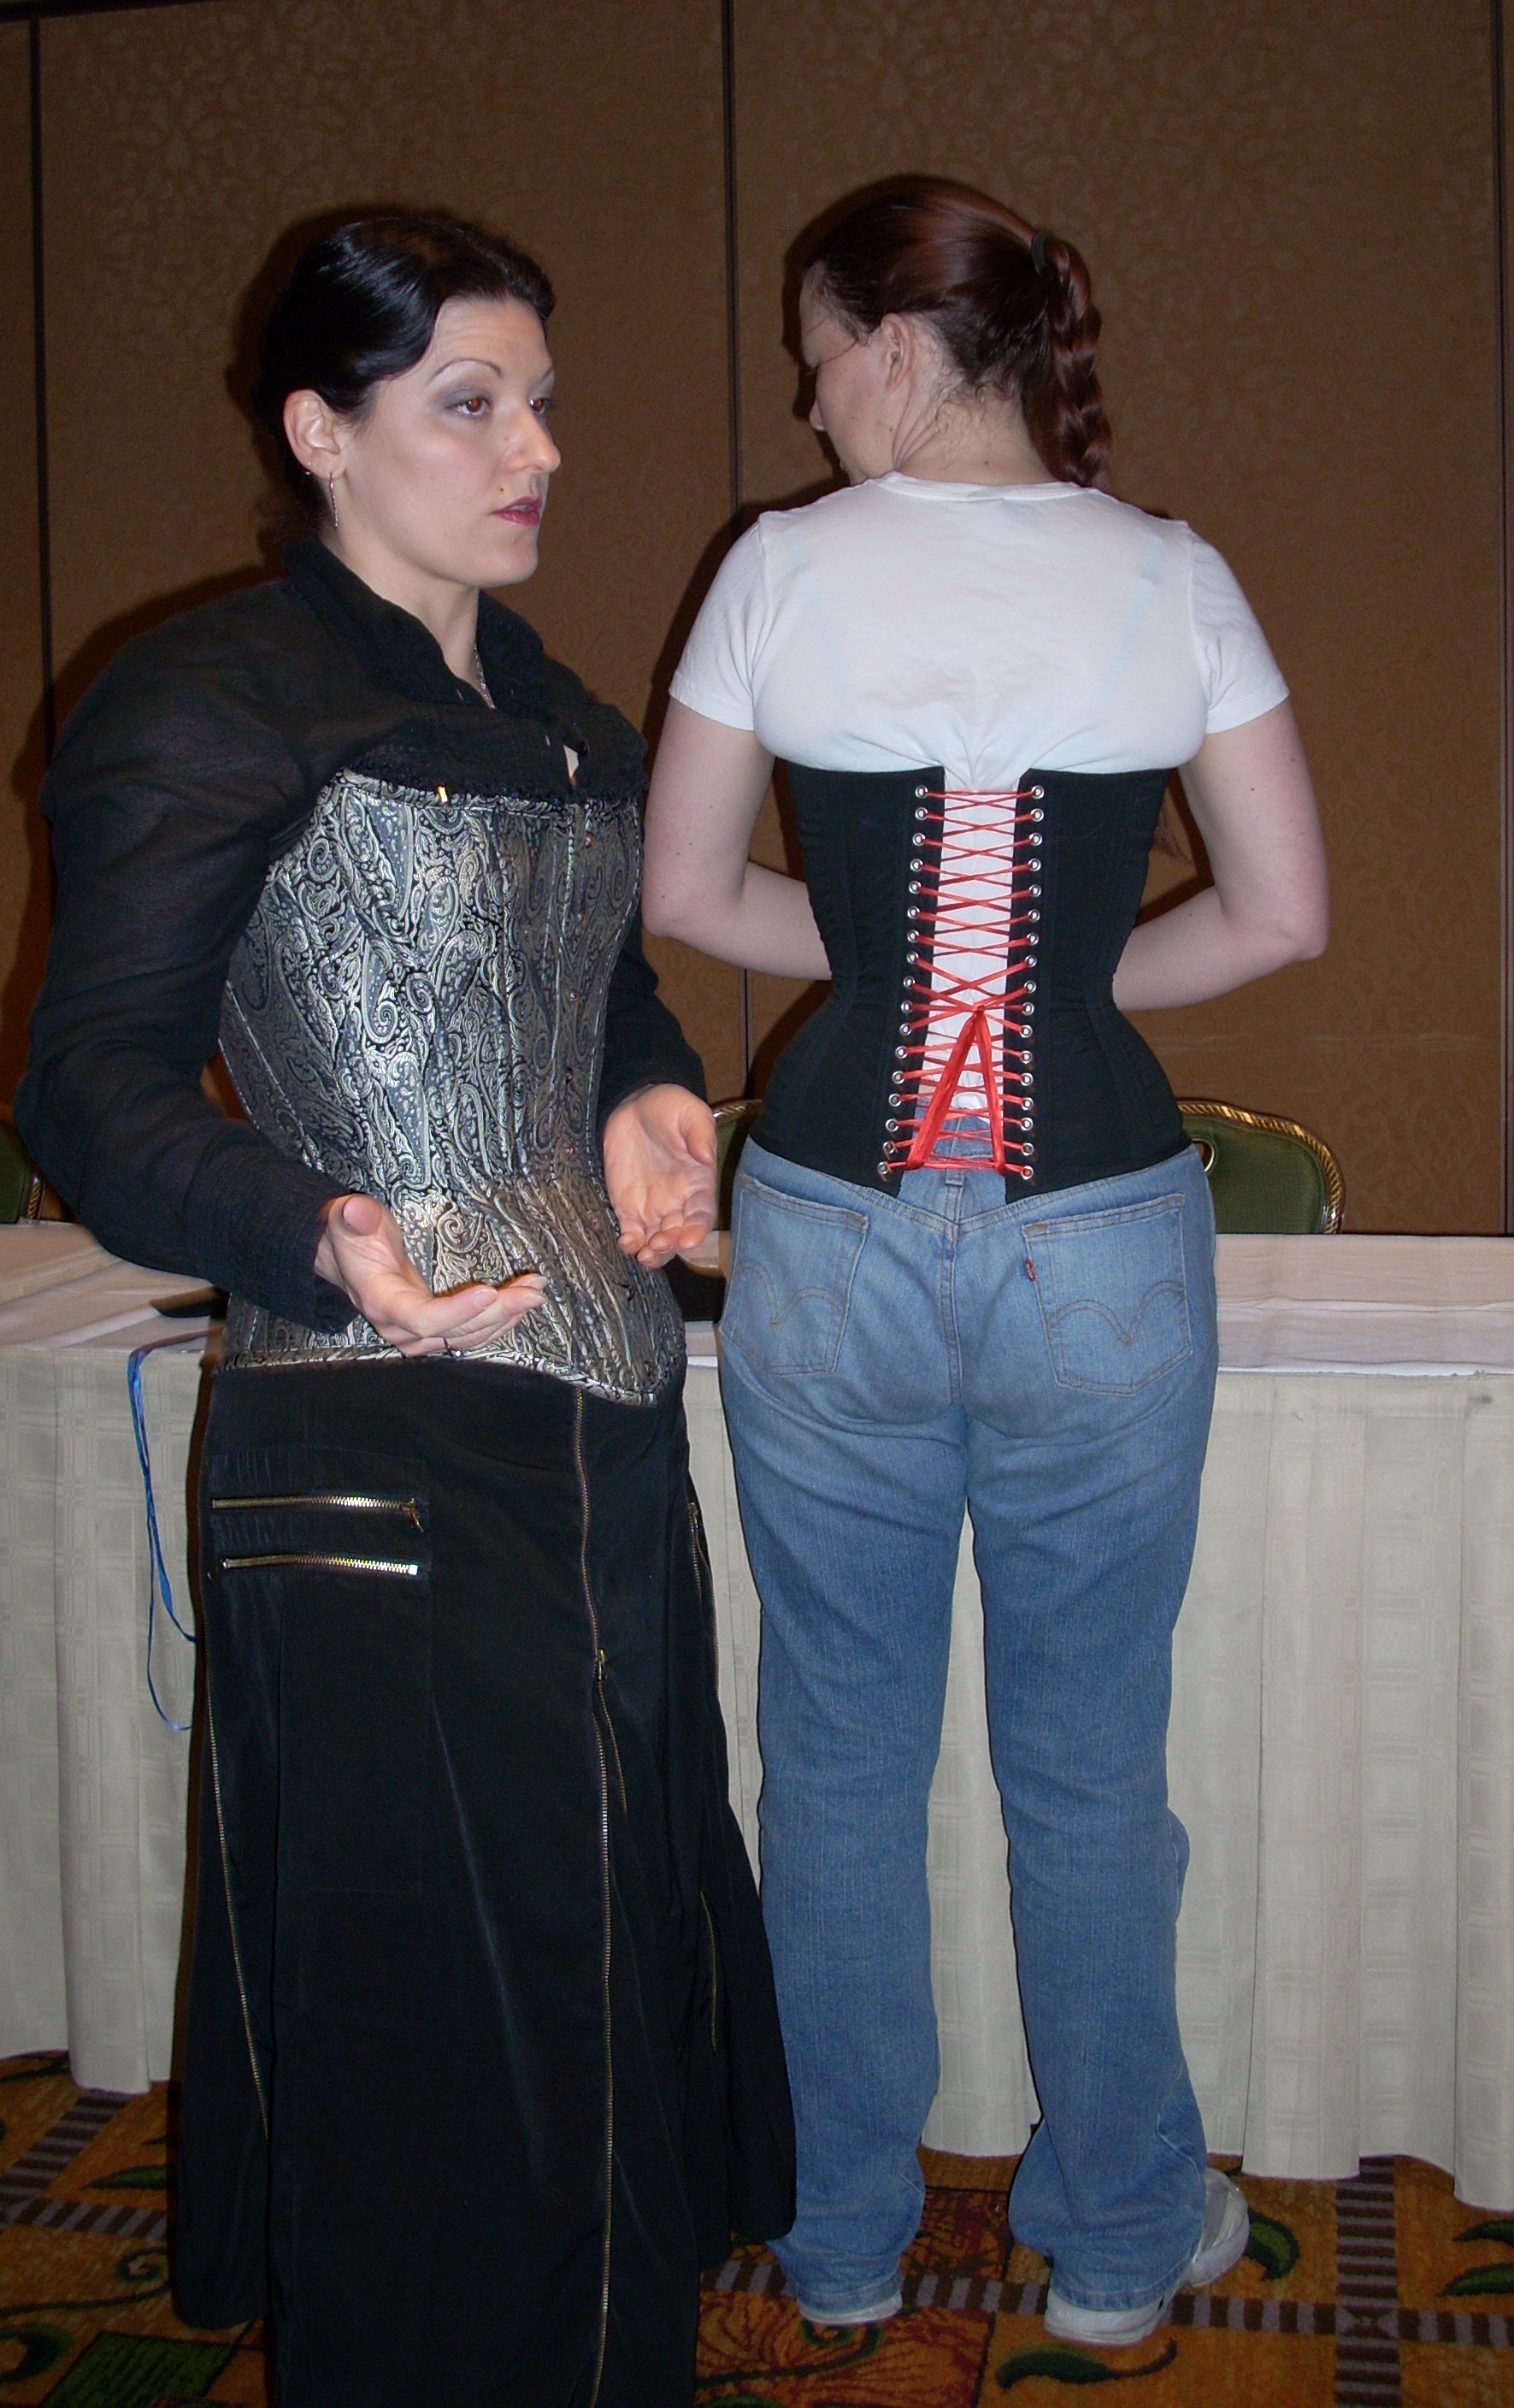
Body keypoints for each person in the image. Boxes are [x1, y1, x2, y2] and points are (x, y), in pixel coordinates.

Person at [16, 212, 793, 2406]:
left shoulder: (546, 709)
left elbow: (607, 985)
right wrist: (310, 1229)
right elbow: (86, 1075)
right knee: (448, 2018)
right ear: (320, 430)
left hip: (603, 1411)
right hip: (377, 1424)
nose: (536, 448)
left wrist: (648, 1092)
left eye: (538, 400)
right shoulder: (208, 696)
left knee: (608, 1948)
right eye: (470, 403)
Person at [641, 177, 1328, 2349]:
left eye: (818, 354)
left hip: (833, 1227)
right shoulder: (1174, 574)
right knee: (1089, 1765)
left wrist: (886, 976)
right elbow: (1286, 915)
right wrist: (1073, 983)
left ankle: (843, 2235)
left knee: (839, 1758)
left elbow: (690, 892)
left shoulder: (780, 571)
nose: (809, 400)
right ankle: (1118, 2242)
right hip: (1097, 1231)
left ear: (901, 349)